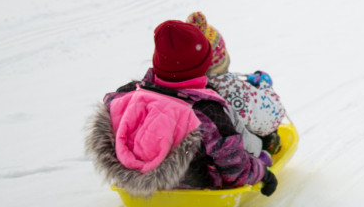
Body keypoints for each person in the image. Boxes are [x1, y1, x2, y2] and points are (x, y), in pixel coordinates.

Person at [84, 20, 277, 197]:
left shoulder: (125, 96)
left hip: (133, 186)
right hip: (195, 191)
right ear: (202, 67)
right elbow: (233, 165)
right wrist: (261, 174)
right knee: (250, 152)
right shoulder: (207, 111)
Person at [186, 12, 287, 153]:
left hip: (195, 155)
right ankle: (267, 148)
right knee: (261, 129)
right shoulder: (230, 89)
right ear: (220, 57)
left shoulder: (177, 88)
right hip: (234, 155)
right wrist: (264, 87)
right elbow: (271, 115)